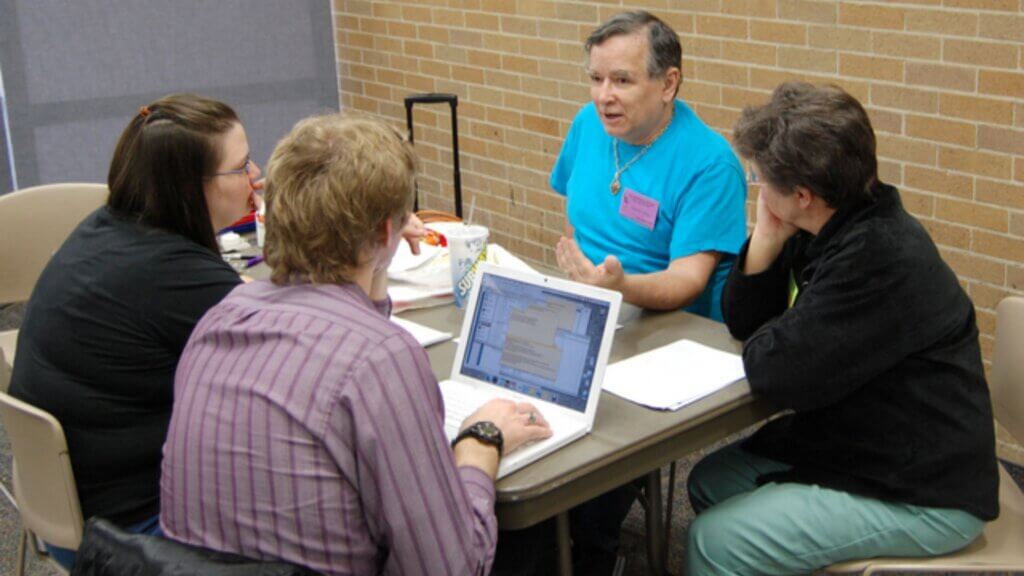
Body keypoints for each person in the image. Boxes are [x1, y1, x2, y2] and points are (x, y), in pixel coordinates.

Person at [159, 113, 553, 576]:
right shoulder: (380, 356)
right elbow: (452, 568)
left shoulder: (220, 318)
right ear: (388, 232)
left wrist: (375, 273)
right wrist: (480, 442)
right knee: (532, 535)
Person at [686, 82, 999, 575]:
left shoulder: (879, 255)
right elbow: (745, 320)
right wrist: (766, 235)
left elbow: (776, 372)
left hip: (925, 488)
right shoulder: (831, 220)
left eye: (759, 178)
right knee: (710, 481)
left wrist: (781, 331)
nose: (757, 188)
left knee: (715, 541)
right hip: (862, 442)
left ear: (804, 195)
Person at [8, 94, 257, 567]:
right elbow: (315, 349)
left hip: (66, 509)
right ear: (190, 186)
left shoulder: (105, 229)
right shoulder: (173, 275)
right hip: (132, 540)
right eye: (241, 167)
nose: (254, 177)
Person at [551, 10, 747, 322]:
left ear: (668, 84)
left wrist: (620, 286)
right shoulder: (587, 123)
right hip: (591, 305)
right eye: (596, 79)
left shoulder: (712, 165)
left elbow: (687, 279)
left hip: (669, 326)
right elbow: (578, 222)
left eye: (621, 80)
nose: (603, 97)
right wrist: (587, 280)